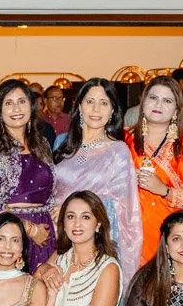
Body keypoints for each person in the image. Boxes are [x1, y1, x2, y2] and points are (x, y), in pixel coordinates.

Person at [51, 78, 141, 276]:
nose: (96, 109)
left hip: (94, 240)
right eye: (90, 101)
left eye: (104, 103)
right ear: (80, 106)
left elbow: (124, 209)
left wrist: (72, 211)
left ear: (112, 111)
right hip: (56, 234)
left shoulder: (118, 150)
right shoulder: (60, 143)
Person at [0, 79, 56, 270]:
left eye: (21, 101)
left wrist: (52, 222)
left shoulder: (42, 144)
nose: (16, 109)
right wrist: (29, 229)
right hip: (9, 233)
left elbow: (51, 191)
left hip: (45, 232)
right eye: (8, 103)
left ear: (31, 106)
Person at [126, 76, 183, 266]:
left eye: (167, 100)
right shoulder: (124, 140)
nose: (159, 105)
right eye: (153, 98)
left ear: (176, 110)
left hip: (171, 238)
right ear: (143, 101)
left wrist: (164, 190)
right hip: (129, 236)